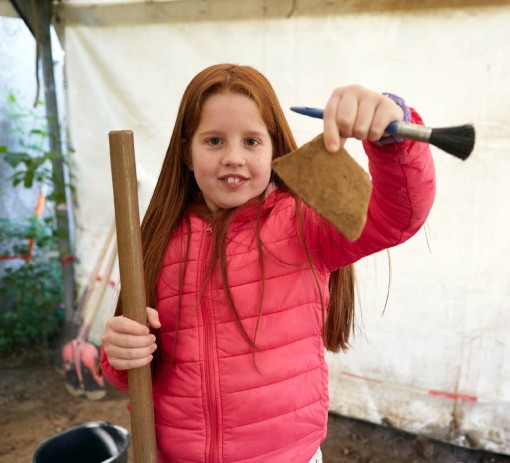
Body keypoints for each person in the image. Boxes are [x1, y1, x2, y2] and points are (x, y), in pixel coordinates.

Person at [100, 63, 436, 463]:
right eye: (214, 141)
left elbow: (397, 216)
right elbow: (135, 367)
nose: (233, 158)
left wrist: (392, 135)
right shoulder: (159, 236)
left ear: (274, 146)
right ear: (187, 153)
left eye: (252, 142)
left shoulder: (303, 222)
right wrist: (121, 355)